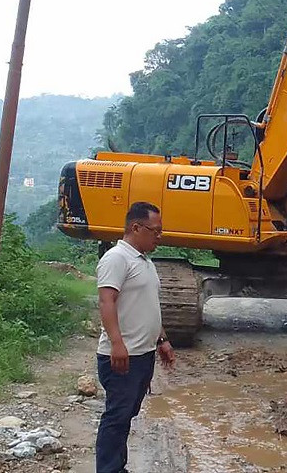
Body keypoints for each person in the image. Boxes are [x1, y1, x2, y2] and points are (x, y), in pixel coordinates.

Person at [95, 201, 176, 473]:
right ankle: (108, 469)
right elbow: (107, 301)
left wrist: (162, 340)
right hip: (122, 356)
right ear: (136, 227)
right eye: (156, 231)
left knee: (127, 413)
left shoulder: (145, 261)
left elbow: (149, 305)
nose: (159, 236)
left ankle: (118, 466)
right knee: (117, 416)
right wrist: (117, 344)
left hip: (143, 354)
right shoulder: (117, 258)